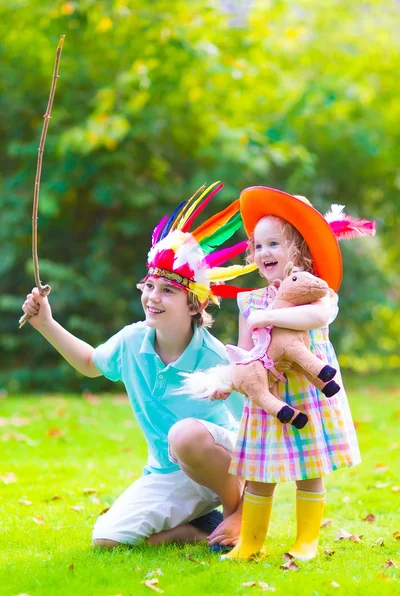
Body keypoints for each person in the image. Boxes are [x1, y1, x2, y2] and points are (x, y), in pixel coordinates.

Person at [21, 182, 257, 548]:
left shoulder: (216, 358)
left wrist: (244, 507)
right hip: (169, 472)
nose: (152, 297)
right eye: (149, 286)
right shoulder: (132, 340)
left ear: (195, 305)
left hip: (221, 463)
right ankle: (198, 530)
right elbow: (88, 363)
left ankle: (235, 515)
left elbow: (253, 433)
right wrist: (46, 324)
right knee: (108, 540)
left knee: (185, 434)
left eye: (168, 290)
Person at [216, 186, 375, 561]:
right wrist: (229, 379)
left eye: (274, 244)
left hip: (308, 393)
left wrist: (269, 317)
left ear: (298, 248)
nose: (263, 253)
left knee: (310, 467)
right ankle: (251, 542)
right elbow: (243, 350)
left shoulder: (316, 292)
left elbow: (316, 318)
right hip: (269, 395)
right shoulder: (248, 301)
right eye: (257, 246)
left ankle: (306, 541)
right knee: (259, 472)